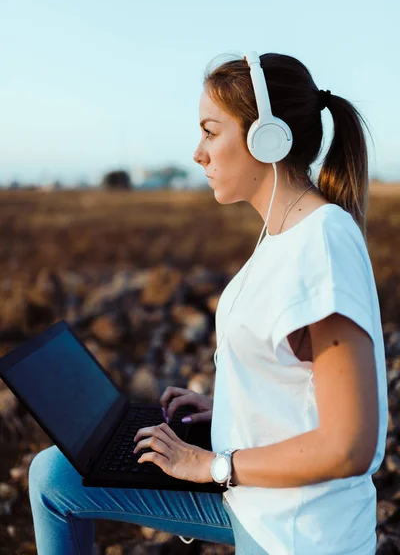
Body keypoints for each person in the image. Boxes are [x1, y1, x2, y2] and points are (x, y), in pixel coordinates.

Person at [28, 51, 388, 555]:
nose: (198, 153)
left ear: (267, 137)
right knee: (54, 474)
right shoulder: (282, 235)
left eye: (210, 131)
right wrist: (229, 413)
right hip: (253, 496)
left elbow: (349, 445)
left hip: (293, 532)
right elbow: (297, 379)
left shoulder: (322, 242)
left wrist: (211, 466)